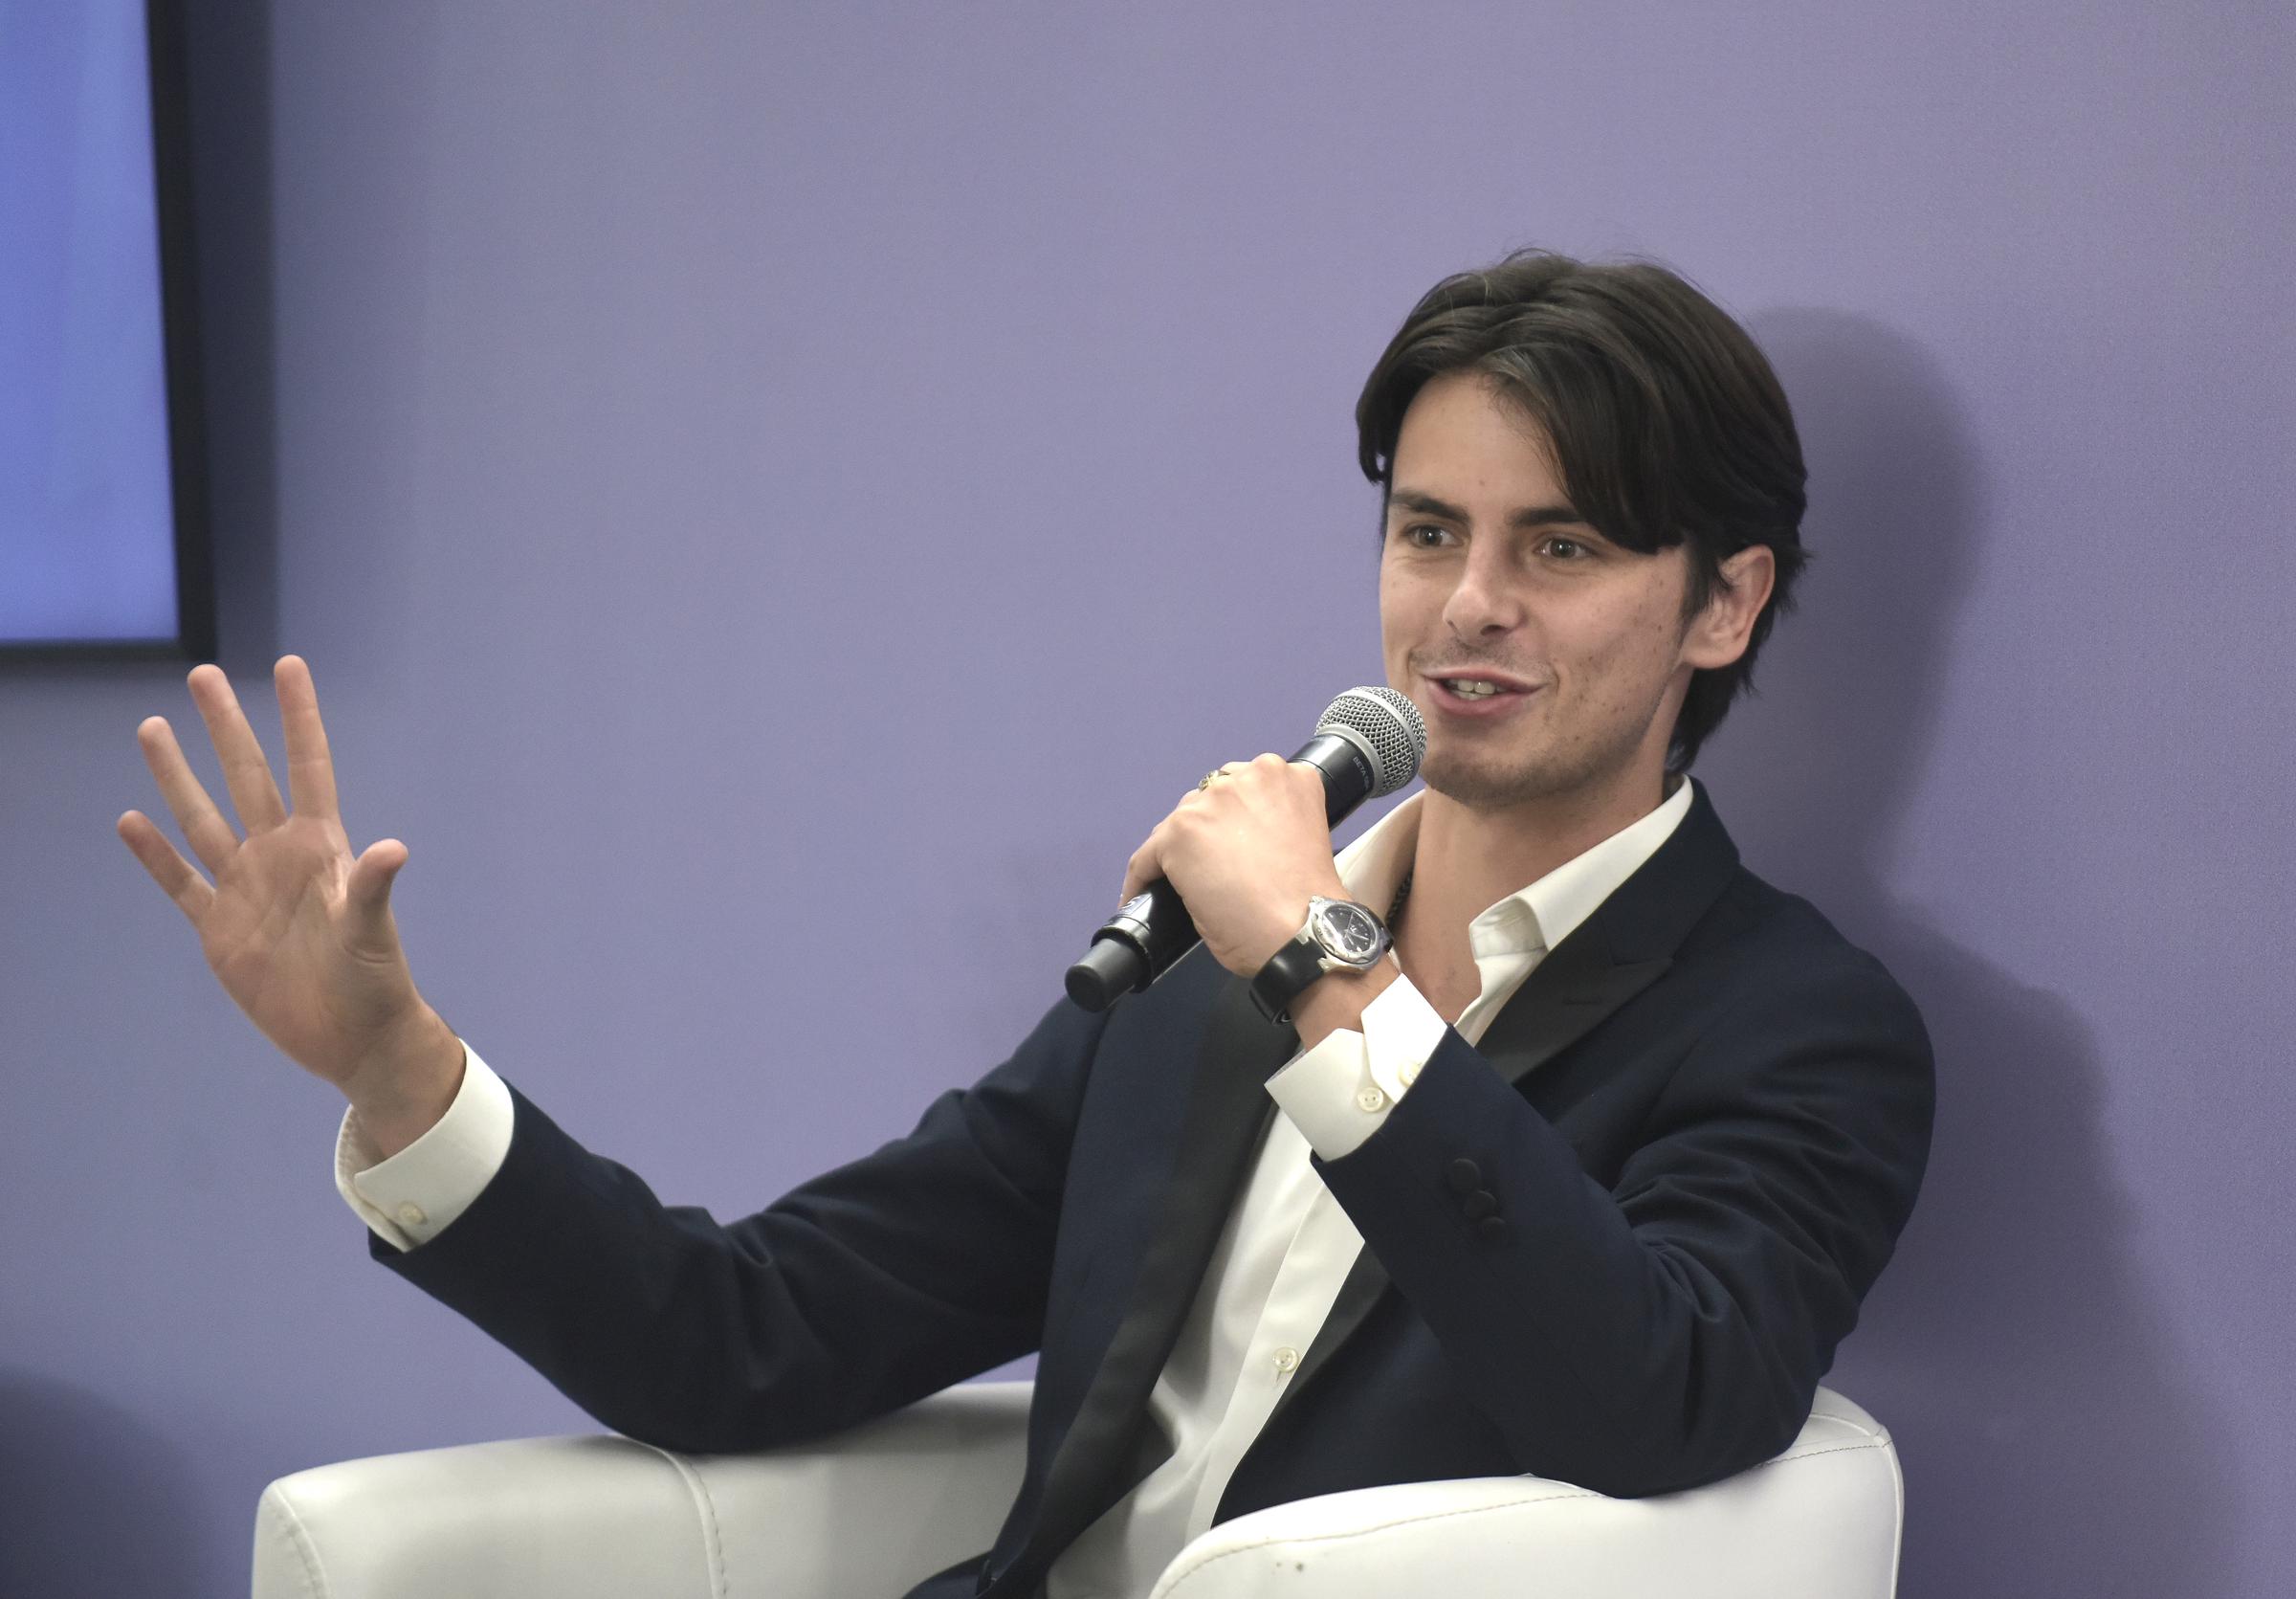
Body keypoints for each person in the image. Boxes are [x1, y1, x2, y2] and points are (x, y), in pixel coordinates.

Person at [121, 250, 1932, 1599]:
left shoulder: (1795, 1027)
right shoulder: (1194, 971)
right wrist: (398, 1069)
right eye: (1427, 530)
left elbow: (1651, 1398)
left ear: (1720, 606)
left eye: (1559, 549)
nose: (1463, 610)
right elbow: (752, 1331)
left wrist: (1327, 970)